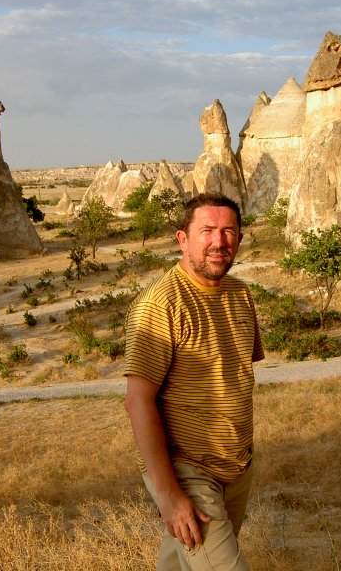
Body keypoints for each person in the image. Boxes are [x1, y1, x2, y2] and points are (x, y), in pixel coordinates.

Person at [124, 192, 265, 571]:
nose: (219, 242)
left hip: (235, 465)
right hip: (187, 468)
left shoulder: (239, 295)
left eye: (229, 231)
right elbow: (138, 401)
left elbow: (232, 375)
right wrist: (168, 495)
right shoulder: (161, 303)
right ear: (182, 239)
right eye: (207, 231)